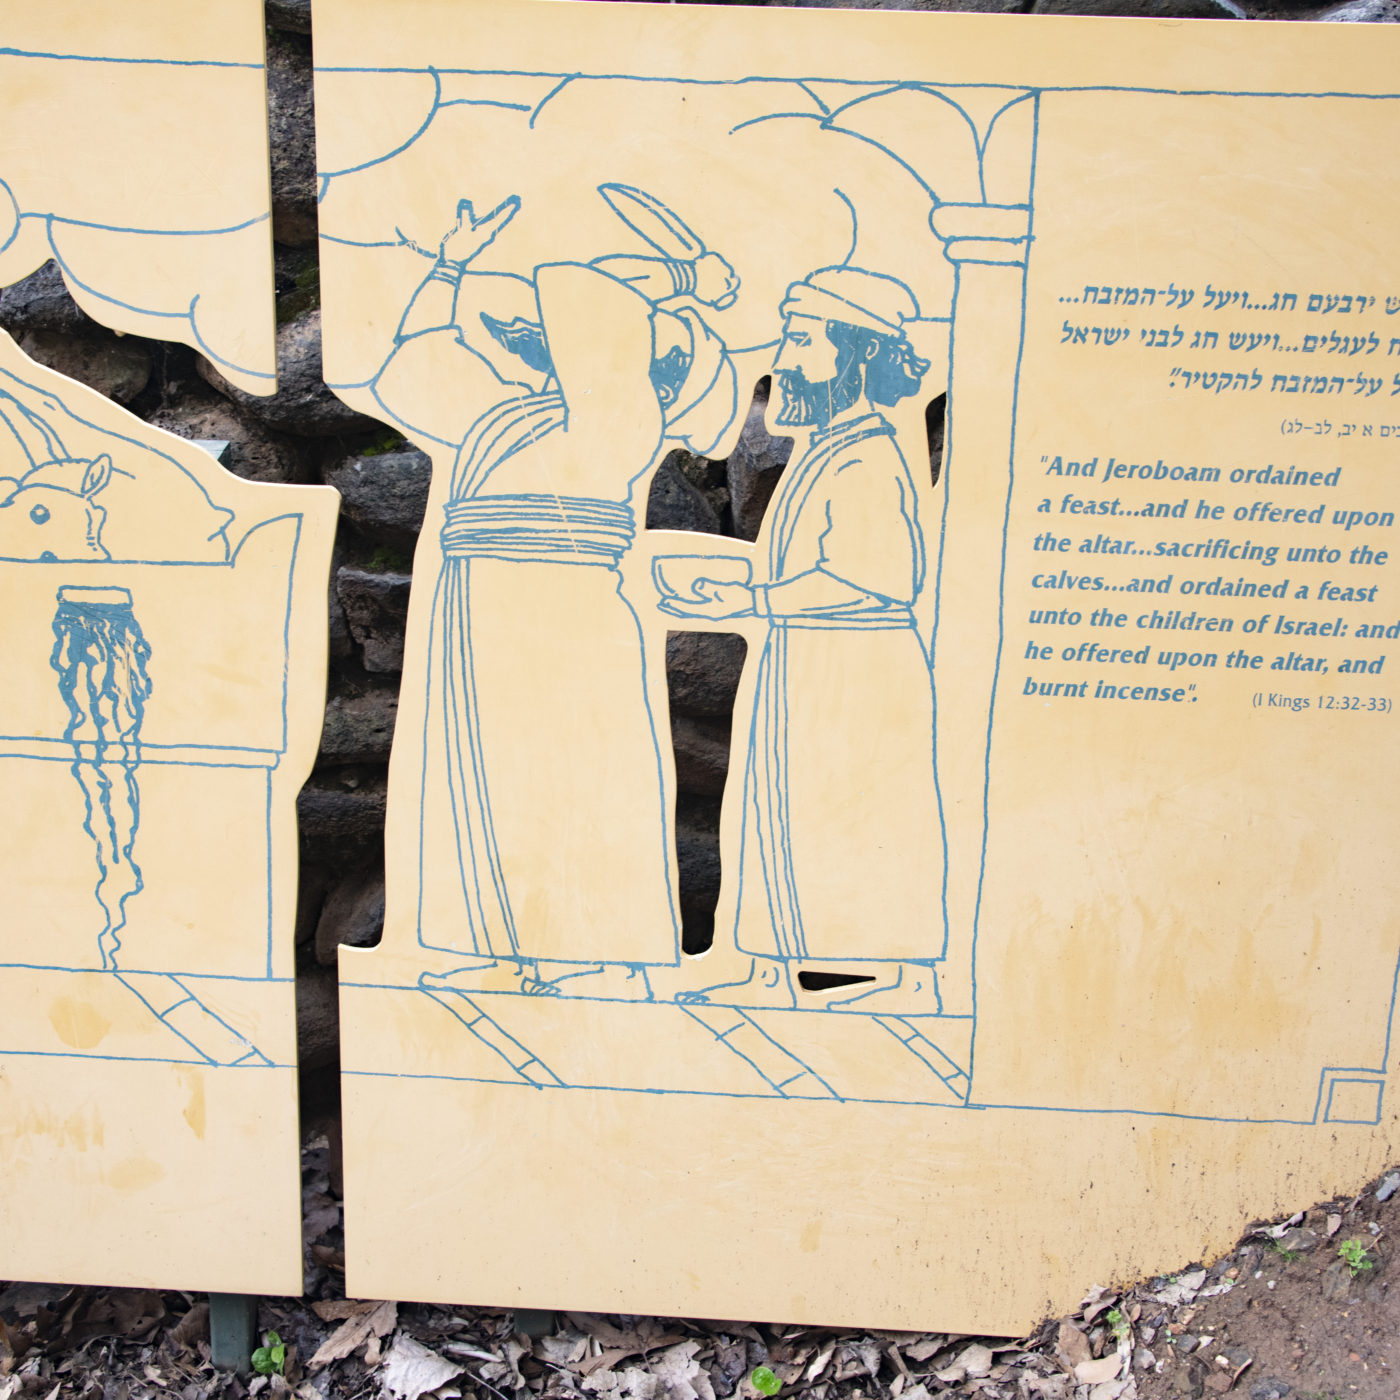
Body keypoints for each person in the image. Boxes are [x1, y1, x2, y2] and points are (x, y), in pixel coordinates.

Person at [390, 197, 742, 997]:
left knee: (572, 769)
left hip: (566, 611)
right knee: (489, 768)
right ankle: (493, 938)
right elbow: (411, 369)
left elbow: (600, 305)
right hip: (483, 606)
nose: (543, 337)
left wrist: (683, 283)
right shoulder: (504, 414)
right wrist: (447, 268)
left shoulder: (622, 409)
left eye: (562, 329)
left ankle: (588, 947)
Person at [658, 265, 945, 1011]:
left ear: (857, 355)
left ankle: (875, 976)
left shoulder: (867, 457)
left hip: (853, 672)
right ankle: (773, 965)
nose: (784, 360)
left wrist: (748, 595)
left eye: (805, 340)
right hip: (812, 663)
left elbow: (873, 581)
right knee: (792, 815)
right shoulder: (831, 449)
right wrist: (743, 585)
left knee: (847, 811)